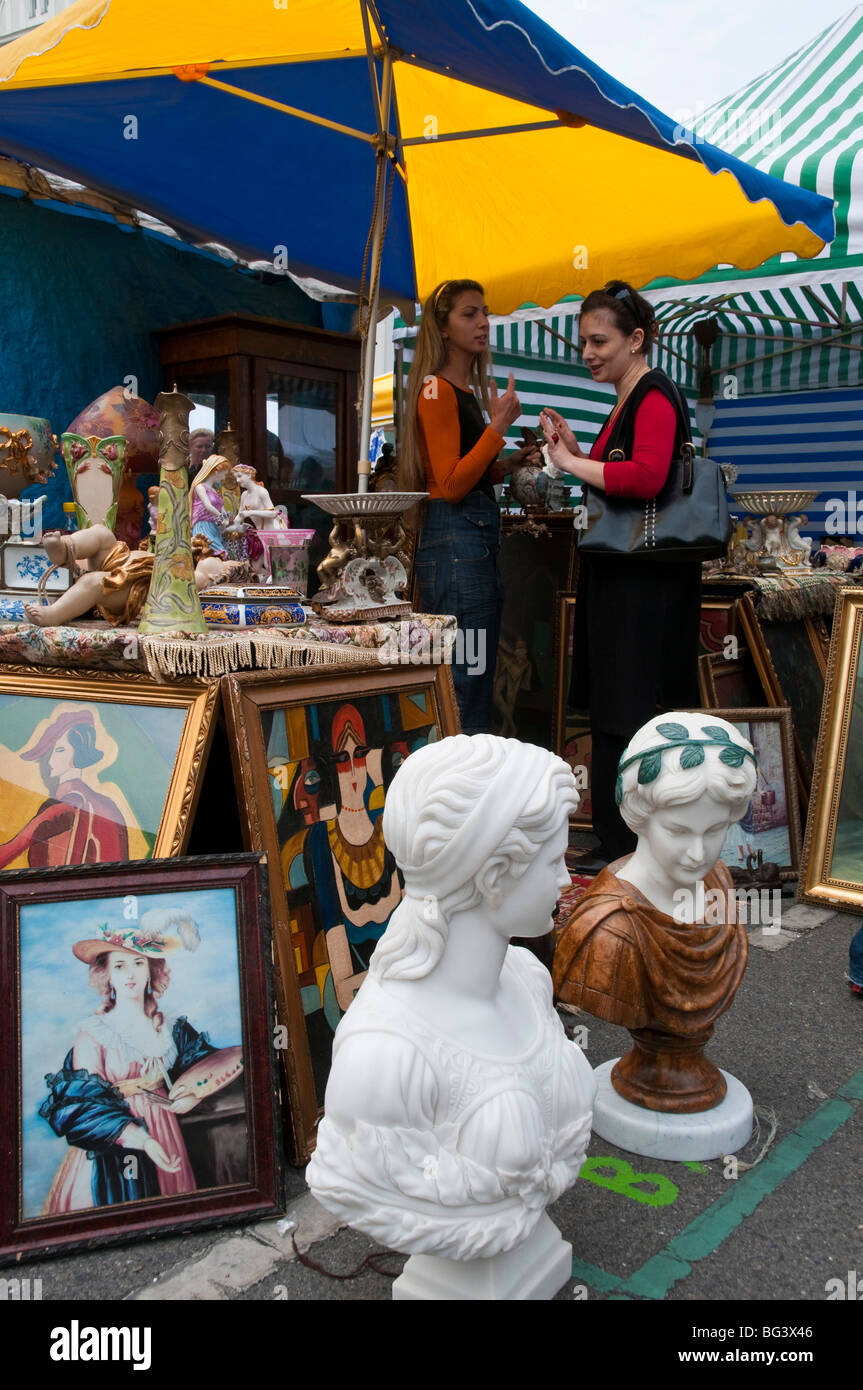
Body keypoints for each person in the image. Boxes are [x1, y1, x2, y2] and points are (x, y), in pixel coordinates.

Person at [307, 734, 596, 1261]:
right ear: (492, 877)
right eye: (554, 861)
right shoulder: (385, 1058)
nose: (566, 878)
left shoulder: (528, 978)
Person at [541, 279, 702, 870]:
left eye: (599, 340)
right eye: (583, 341)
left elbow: (647, 479)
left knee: (632, 709)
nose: (587, 352)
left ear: (637, 340)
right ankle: (621, 841)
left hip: (646, 586)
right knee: (618, 707)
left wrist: (566, 460)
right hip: (627, 580)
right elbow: (615, 472)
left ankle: (629, 845)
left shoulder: (653, 394)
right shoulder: (628, 398)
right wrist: (577, 448)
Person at [553, 712, 756, 1111]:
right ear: (639, 816)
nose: (699, 854)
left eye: (715, 831)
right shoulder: (608, 932)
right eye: (679, 831)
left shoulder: (717, 880)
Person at [398, 279, 539, 734]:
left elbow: (462, 477)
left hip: (467, 544)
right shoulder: (436, 391)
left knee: (473, 674)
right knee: (466, 677)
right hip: (458, 545)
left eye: (484, 313)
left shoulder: (456, 391)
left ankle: (466, 785)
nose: (483, 323)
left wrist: (505, 465)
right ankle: (461, 788)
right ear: (442, 327)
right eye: (469, 314)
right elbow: (453, 485)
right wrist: (497, 428)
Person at [39, 914, 217, 1210]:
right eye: (120, 966)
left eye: (138, 963)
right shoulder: (93, 1034)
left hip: (166, 1129)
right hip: (116, 1142)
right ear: (106, 974)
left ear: (151, 970)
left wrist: (193, 1092)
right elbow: (80, 1104)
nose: (130, 974)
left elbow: (206, 1064)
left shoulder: (171, 1027)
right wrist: (141, 1139)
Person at [0, 709, 130, 868]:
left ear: (79, 752)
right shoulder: (105, 804)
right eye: (50, 751)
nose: (50, 760)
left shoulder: (70, 803)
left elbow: (14, 848)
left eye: (60, 750)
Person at [190, 454, 232, 558]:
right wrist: (221, 517)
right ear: (216, 471)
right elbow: (208, 505)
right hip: (203, 526)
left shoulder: (215, 491)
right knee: (214, 551)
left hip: (215, 527)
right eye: (224, 474)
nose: (224, 478)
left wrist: (226, 520)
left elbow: (222, 508)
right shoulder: (200, 487)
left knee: (221, 553)